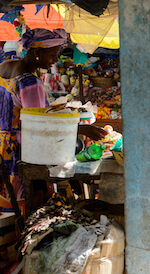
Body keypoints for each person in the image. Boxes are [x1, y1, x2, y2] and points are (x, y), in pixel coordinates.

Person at [0, 28, 107, 211]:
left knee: (5, 206)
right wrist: (81, 129)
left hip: (2, 146)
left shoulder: (5, 66)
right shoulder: (30, 82)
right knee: (25, 208)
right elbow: (41, 126)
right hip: (19, 152)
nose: (56, 61)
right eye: (53, 55)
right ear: (37, 52)